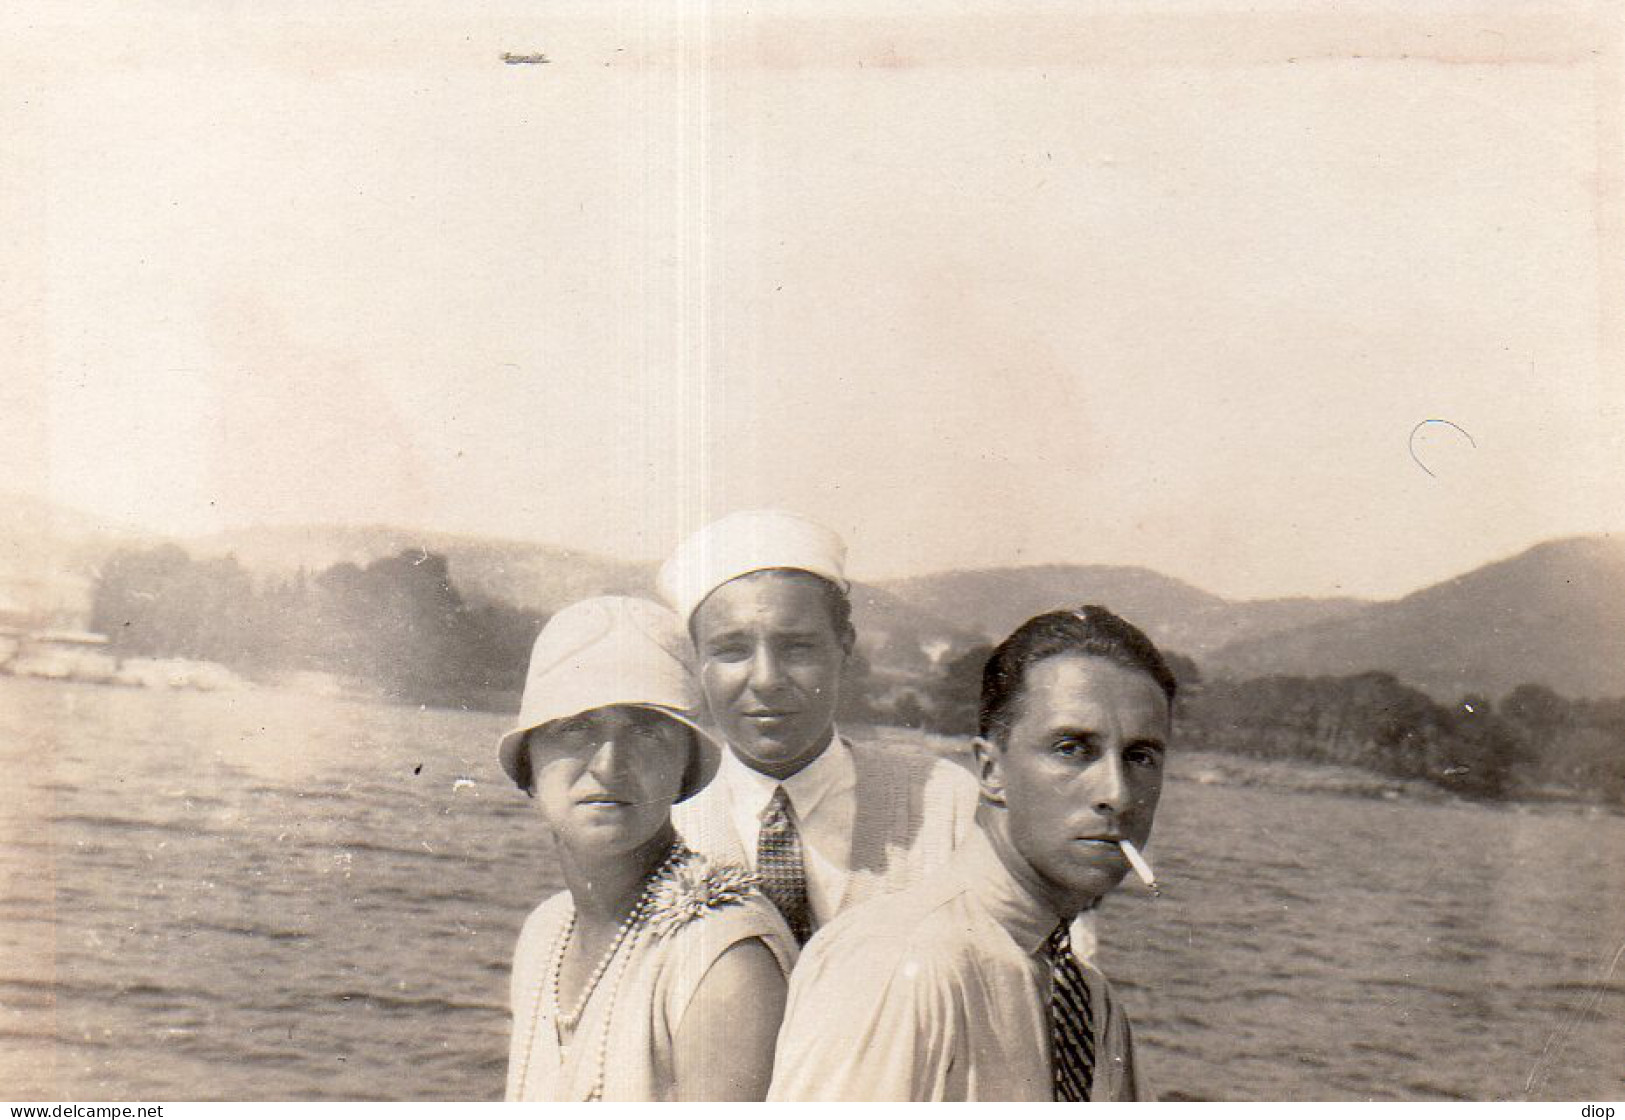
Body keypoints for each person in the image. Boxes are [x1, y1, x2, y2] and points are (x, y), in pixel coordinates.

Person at [767, 605, 1171, 1101]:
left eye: (1140, 757)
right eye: (1072, 748)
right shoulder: (899, 962)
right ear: (990, 771)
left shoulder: (1089, 1001)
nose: (1118, 793)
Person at [498, 596, 795, 1102]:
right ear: (528, 763)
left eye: (646, 731)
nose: (610, 764)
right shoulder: (545, 932)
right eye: (575, 727)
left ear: (685, 769)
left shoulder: (721, 959)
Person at [658, 509, 980, 944]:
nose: (767, 679)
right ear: (697, 663)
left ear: (844, 649)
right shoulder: (665, 820)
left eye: (797, 648)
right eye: (732, 650)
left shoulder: (947, 803)